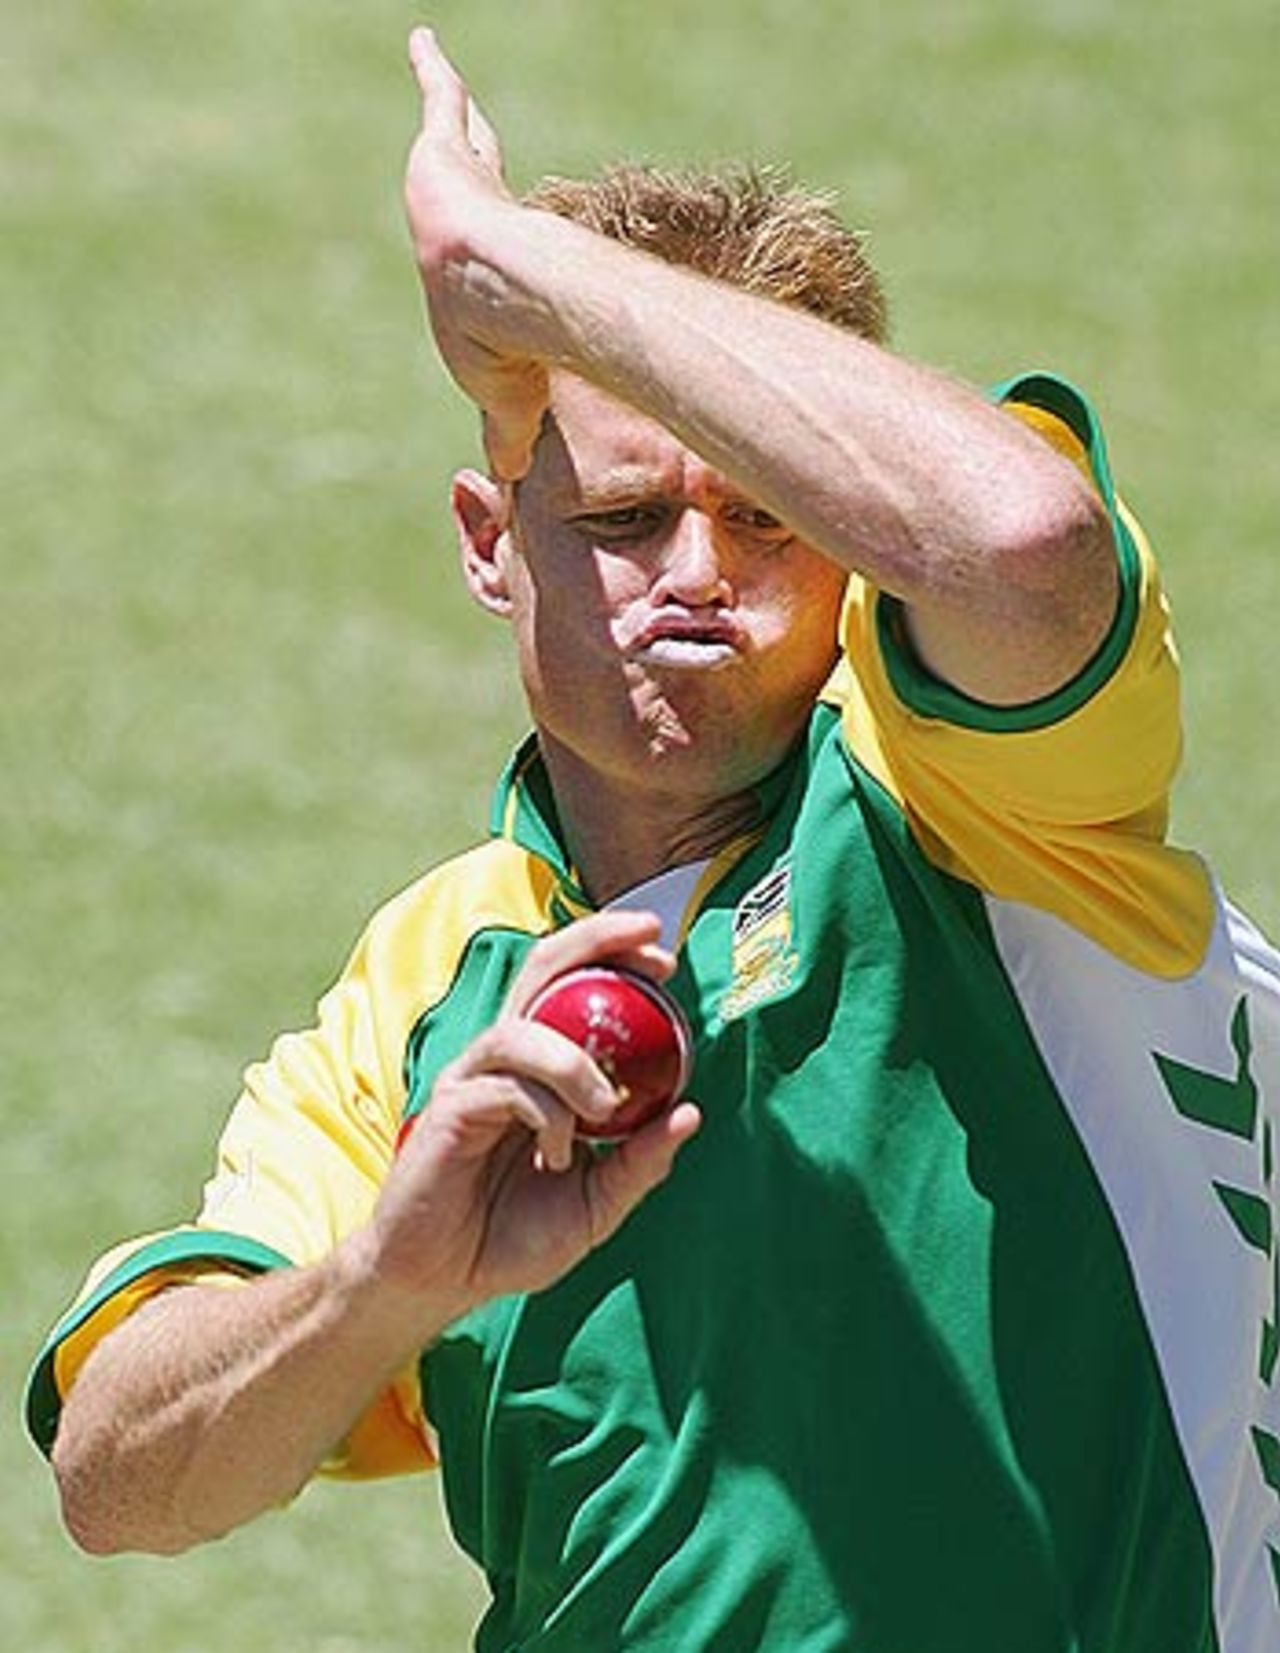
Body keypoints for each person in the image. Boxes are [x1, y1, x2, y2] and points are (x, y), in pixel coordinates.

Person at [26, 25, 1280, 1652]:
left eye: (770, 517)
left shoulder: (983, 807)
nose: (696, 576)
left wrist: (513, 272)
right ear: (491, 543)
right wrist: (387, 1280)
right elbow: (118, 1474)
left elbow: (1028, 541)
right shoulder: (437, 980)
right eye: (621, 521)